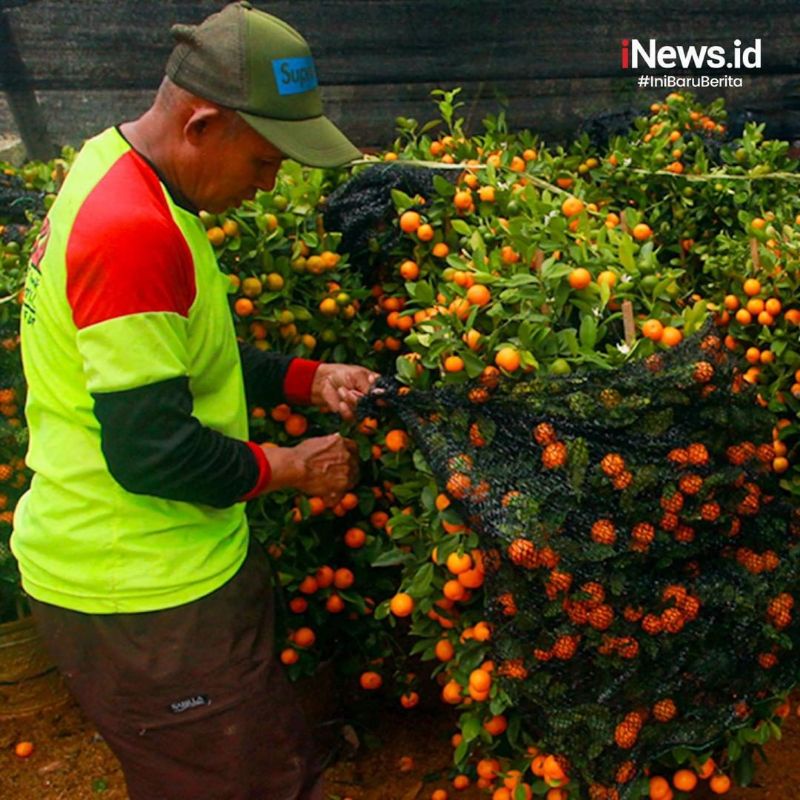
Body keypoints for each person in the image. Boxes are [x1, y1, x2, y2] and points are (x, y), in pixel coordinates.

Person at [10, 3, 375, 799]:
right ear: (203, 124)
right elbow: (153, 451)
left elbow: (171, 358)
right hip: (143, 594)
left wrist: (303, 378)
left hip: (161, 574)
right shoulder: (132, 230)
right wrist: (292, 466)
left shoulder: (118, 167)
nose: (270, 182)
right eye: (264, 161)